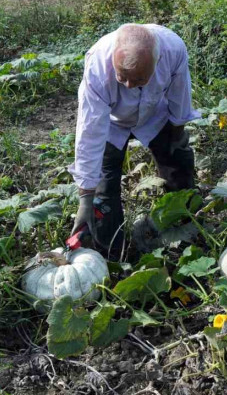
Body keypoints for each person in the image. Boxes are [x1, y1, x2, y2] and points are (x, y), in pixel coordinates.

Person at [69, 24, 199, 259]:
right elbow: (89, 132)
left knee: (178, 162)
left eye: (139, 79)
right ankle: (113, 254)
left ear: (157, 62)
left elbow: (180, 96)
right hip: (111, 122)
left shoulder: (172, 50)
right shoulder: (98, 65)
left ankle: (181, 226)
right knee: (104, 189)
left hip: (155, 114)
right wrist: (85, 199)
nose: (128, 85)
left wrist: (176, 137)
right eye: (122, 77)